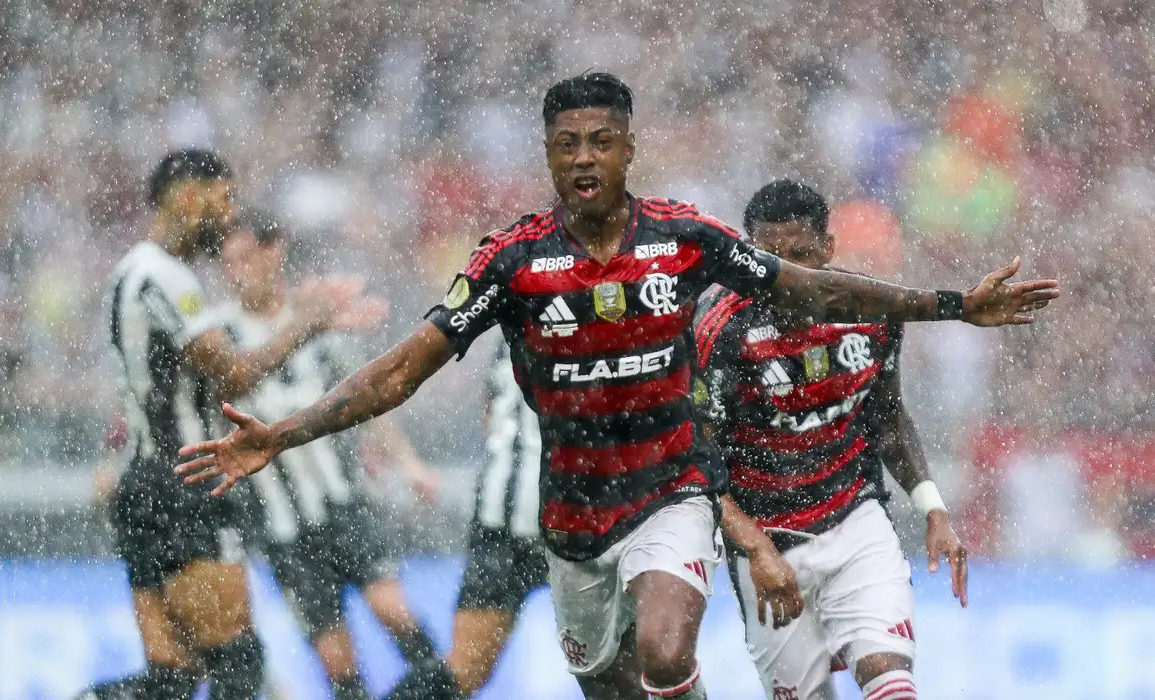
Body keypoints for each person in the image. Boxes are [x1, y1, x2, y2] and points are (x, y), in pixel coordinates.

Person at [173, 73, 1057, 700]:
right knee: (614, 683)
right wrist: (282, 433)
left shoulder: (683, 238)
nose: (585, 157)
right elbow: (404, 369)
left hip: (669, 492)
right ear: (549, 157)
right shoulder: (511, 261)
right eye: (567, 145)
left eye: (602, 140)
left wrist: (951, 305)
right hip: (570, 518)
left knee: (668, 651)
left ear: (629, 148)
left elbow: (812, 287)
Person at [79, 149, 363, 700]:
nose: (231, 216)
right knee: (237, 663)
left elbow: (152, 384)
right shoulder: (162, 275)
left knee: (172, 678)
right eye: (224, 199)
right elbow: (232, 375)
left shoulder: (133, 272)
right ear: (187, 198)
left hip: (148, 482)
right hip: (186, 484)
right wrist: (305, 323)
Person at [693, 180, 970, 700]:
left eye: (801, 255)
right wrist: (754, 546)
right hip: (767, 539)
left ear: (828, 248)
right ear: (748, 256)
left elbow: (887, 419)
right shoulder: (719, 332)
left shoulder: (869, 311)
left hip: (855, 521)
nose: (788, 275)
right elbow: (693, 461)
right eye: (771, 258)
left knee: (889, 673)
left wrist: (933, 509)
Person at [214, 214, 440, 700]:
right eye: (226, 262)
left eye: (244, 258)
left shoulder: (319, 321)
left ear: (274, 253)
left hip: (346, 504)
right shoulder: (219, 340)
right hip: (282, 529)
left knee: (393, 611)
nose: (235, 272)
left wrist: (405, 462)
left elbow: (367, 400)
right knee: (337, 662)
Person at [383, 332, 547, 700]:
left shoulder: (513, 311)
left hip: (510, 512)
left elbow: (489, 414)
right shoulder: (595, 302)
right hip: (545, 515)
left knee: (464, 669)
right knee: (466, 669)